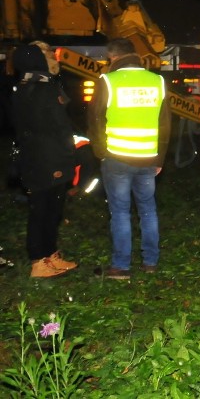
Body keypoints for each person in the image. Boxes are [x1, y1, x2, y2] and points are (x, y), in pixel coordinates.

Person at [87, 38, 171, 280]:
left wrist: (101, 151)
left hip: (117, 157)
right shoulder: (157, 81)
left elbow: (95, 118)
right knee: (148, 210)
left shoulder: (108, 81)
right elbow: (165, 123)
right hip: (147, 157)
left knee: (121, 212)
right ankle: (150, 262)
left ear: (113, 57)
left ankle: (121, 266)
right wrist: (160, 157)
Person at [11, 43, 78, 278]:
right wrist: (71, 154)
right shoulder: (44, 89)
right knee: (45, 210)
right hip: (50, 158)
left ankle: (49, 256)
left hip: (34, 157)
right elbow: (59, 126)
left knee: (48, 208)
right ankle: (39, 261)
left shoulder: (21, 87)